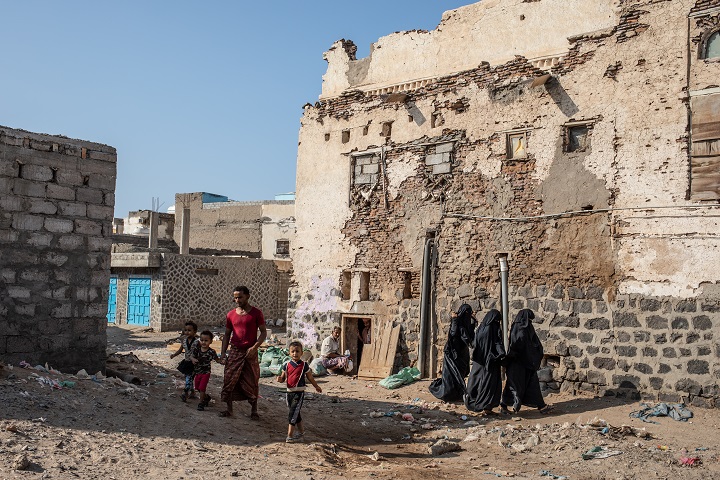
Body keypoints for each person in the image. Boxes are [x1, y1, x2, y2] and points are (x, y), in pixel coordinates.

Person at [219, 286, 267, 419]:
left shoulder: (257, 313)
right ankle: (229, 410)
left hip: (250, 352)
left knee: (252, 380)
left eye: (240, 297)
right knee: (229, 378)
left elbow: (263, 333)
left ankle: (254, 411)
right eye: (235, 297)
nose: (237, 300)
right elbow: (227, 335)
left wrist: (255, 347)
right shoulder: (230, 315)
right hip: (235, 350)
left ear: (247, 296)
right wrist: (223, 353)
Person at [500, 309, 553, 414]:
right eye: (529, 319)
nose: (529, 322)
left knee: (532, 385)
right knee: (513, 385)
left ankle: (541, 406)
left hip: (527, 363)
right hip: (517, 364)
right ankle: (504, 406)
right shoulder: (519, 328)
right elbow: (517, 345)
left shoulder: (526, 327)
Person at [276, 340, 322, 443]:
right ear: (289, 352)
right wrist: (280, 379)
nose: (295, 353)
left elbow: (310, 378)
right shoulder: (286, 365)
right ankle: (301, 432)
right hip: (289, 393)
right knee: (296, 413)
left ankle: (290, 436)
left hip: (299, 393)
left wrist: (316, 386)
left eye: (297, 351)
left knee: (292, 413)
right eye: (293, 351)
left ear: (302, 353)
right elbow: (283, 378)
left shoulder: (304, 365)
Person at [429, 304, 476, 402]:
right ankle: (447, 394)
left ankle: (458, 394)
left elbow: (470, 337)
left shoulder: (466, 324)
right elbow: (453, 334)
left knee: (460, 374)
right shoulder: (457, 323)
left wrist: (473, 320)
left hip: (461, 353)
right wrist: (454, 320)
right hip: (452, 353)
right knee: (451, 375)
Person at [464, 309, 506, 414]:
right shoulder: (494, 328)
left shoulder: (481, 328)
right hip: (490, 362)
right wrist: (501, 354)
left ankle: (471, 401)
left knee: (475, 381)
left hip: (479, 361)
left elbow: (474, 343)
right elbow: (497, 342)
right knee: (489, 385)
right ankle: (486, 407)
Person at [191, 330, 222, 411]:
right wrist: (193, 359)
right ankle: (206, 397)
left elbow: (217, 359)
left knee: (202, 388)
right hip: (197, 372)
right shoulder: (197, 350)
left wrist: (222, 361)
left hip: (206, 373)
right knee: (197, 387)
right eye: (202, 340)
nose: (203, 342)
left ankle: (201, 403)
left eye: (206, 340)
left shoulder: (211, 352)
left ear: (211, 341)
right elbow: (191, 356)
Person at [170, 321, 199, 402]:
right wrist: (174, 355)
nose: (187, 332)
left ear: (195, 332)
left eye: (189, 330)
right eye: (186, 330)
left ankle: (185, 393)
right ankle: (192, 392)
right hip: (186, 362)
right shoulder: (184, 341)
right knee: (189, 378)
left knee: (189, 378)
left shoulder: (197, 342)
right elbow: (180, 350)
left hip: (194, 364)